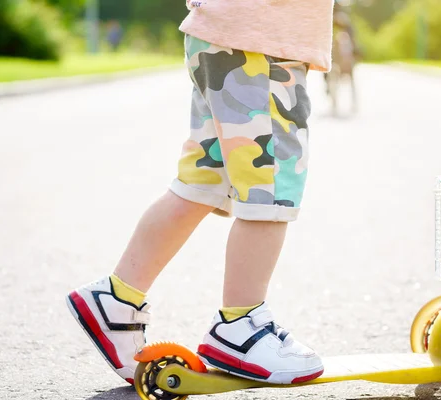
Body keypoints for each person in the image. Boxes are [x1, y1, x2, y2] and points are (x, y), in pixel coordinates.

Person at [66, 0, 335, 387]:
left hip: (226, 36)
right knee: (271, 187)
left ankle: (117, 297)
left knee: (204, 182)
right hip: (261, 44)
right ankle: (238, 325)